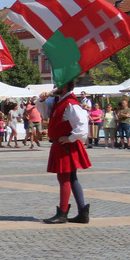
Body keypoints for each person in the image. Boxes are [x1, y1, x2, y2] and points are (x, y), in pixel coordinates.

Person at [38, 81, 91, 224]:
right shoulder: (59, 101)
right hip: (62, 144)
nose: (56, 88)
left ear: (66, 86)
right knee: (72, 178)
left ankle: (62, 213)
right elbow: (45, 113)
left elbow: (83, 125)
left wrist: (70, 138)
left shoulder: (70, 103)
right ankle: (82, 213)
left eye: (59, 85)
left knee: (64, 179)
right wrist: (42, 99)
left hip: (65, 145)